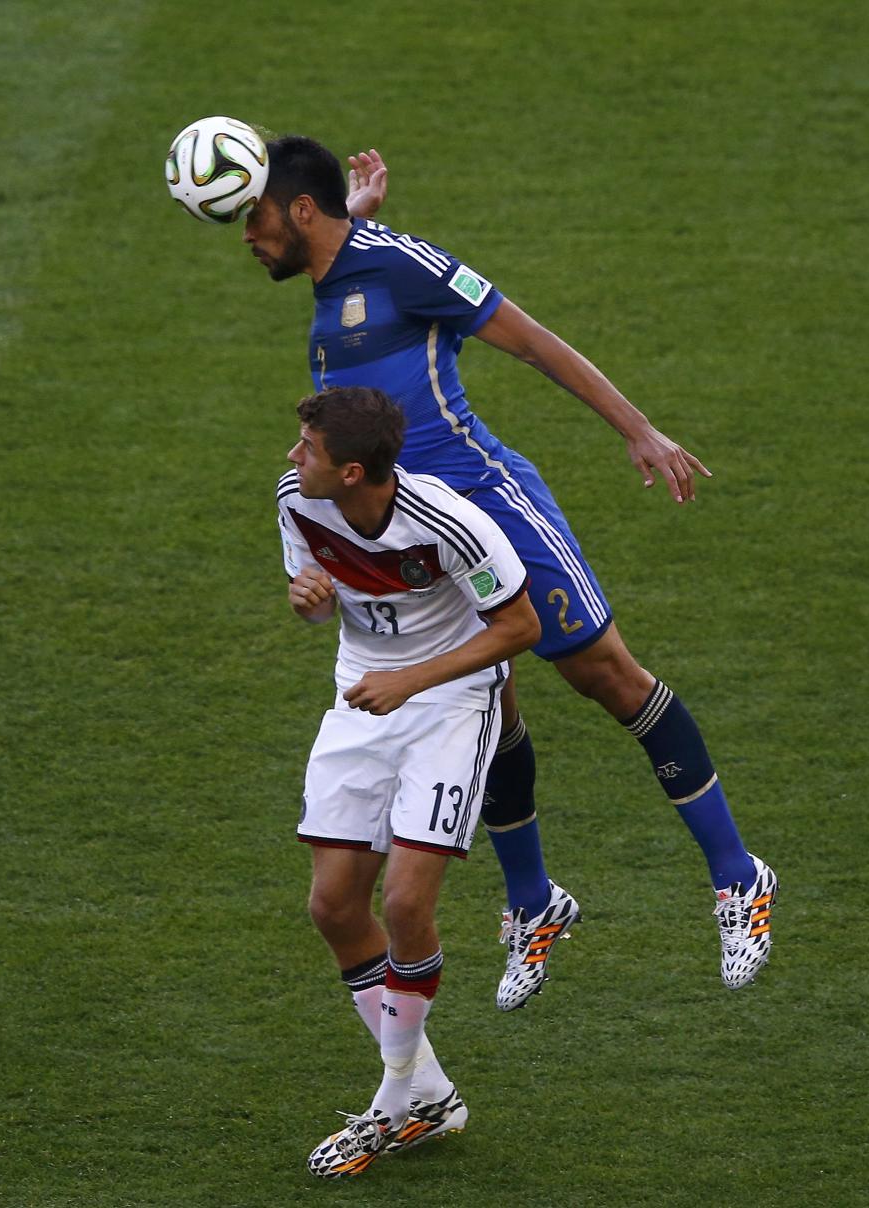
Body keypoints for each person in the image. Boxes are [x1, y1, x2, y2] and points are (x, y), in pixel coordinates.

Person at [245, 135, 777, 1004]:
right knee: (489, 706)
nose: (244, 233)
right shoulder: (332, 284)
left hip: (491, 505)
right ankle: (535, 901)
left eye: (257, 214)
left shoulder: (402, 267)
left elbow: (531, 340)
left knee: (605, 675)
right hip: (427, 544)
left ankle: (737, 874)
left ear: (302, 210)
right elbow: (355, 275)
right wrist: (357, 222)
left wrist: (638, 429)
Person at [278, 385, 540, 1178]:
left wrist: (416, 680)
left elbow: (519, 627)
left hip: (454, 699)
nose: (293, 458)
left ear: (353, 471)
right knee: (331, 905)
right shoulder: (298, 501)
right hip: (363, 691)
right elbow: (316, 606)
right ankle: (428, 1091)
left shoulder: (451, 523)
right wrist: (310, 603)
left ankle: (394, 1103)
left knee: (404, 902)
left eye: (308, 448)